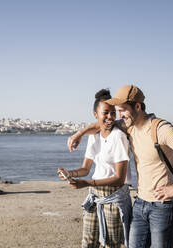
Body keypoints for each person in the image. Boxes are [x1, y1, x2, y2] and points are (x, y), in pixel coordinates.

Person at [67, 85, 173, 248]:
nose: (118, 116)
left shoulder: (161, 129)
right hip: (140, 203)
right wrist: (79, 134)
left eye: (122, 110)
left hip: (164, 206)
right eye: (117, 111)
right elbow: (102, 124)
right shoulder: (128, 125)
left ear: (138, 107)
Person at [58, 89, 132, 248]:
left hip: (114, 198)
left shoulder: (118, 137)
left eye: (113, 113)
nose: (110, 117)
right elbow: (85, 168)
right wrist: (69, 174)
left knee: (113, 245)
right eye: (105, 113)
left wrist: (86, 183)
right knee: (88, 243)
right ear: (95, 114)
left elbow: (119, 178)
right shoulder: (94, 135)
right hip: (95, 197)